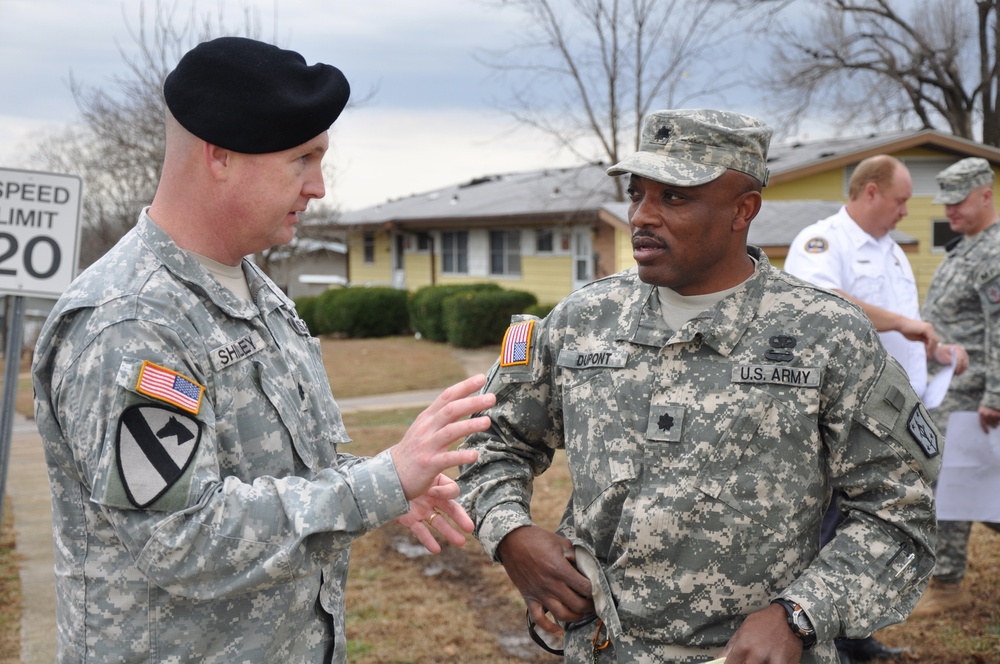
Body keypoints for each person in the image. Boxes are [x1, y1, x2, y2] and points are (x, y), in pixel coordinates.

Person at [31, 36, 494, 663]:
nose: (319, 187)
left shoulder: (256, 292)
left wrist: (384, 482)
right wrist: (375, 486)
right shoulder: (131, 320)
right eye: (302, 159)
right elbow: (179, 536)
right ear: (220, 155)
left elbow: (277, 470)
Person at [457, 109, 940, 664]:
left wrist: (800, 615)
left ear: (743, 210)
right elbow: (492, 440)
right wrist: (511, 535)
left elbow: (899, 509)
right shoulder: (582, 320)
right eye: (637, 194)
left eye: (675, 198)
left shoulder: (826, 335)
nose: (642, 216)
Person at [784, 155, 967, 663]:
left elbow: (903, 324)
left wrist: (936, 350)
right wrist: (903, 325)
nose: (906, 211)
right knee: (828, 529)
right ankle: (820, 641)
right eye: (901, 200)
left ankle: (856, 636)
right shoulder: (823, 241)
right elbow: (820, 302)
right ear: (870, 192)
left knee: (867, 530)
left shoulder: (890, 250)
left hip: (888, 415)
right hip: (843, 415)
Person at [910, 157, 1000, 618]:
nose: (949, 211)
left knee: (957, 480)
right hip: (951, 389)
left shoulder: (994, 251)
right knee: (967, 482)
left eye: (958, 201)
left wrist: (996, 397)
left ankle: (947, 584)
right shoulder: (965, 247)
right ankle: (946, 582)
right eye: (944, 203)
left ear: (985, 193)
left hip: (975, 394)